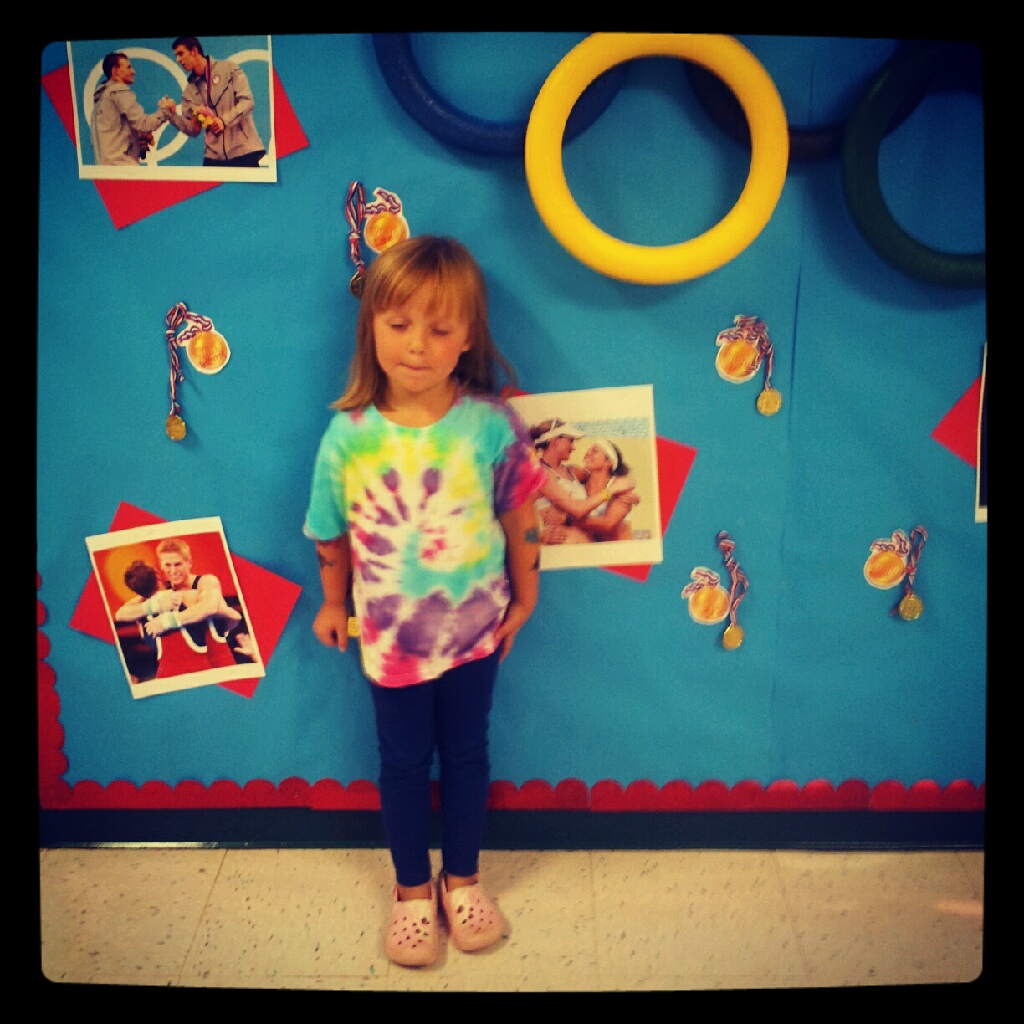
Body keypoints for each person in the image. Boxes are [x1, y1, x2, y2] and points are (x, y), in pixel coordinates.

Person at [304, 235, 545, 967]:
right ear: (372, 327)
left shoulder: (491, 424)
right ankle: (412, 890)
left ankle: (462, 880)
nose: (417, 345)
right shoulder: (347, 437)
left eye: (439, 329)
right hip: (391, 644)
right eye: (400, 324)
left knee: (468, 752)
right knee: (404, 762)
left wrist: (527, 596)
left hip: (477, 635)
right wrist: (331, 604)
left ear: (467, 336)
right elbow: (330, 532)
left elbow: (521, 518)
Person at [140, 538, 242, 676]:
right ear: (161, 566)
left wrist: (167, 621)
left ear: (189, 563)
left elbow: (209, 608)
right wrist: (152, 606)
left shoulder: (206, 582)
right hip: (188, 668)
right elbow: (123, 613)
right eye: (168, 565)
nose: (173, 571)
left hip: (221, 665)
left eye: (178, 564)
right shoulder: (161, 592)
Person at [159, 37, 266, 167]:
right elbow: (193, 130)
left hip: (243, 151)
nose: (178, 60)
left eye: (181, 53)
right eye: (176, 56)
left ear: (194, 51)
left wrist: (223, 121)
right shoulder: (189, 92)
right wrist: (172, 115)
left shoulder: (229, 69)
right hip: (214, 156)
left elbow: (247, 102)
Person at [528, 419, 637, 544]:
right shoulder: (542, 473)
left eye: (594, 451)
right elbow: (578, 510)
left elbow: (606, 477)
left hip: (597, 545)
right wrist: (611, 491)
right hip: (567, 546)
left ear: (609, 462)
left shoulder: (573, 472)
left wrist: (628, 488)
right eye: (571, 441)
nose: (574, 447)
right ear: (556, 441)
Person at [89, 52, 171, 166]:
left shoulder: (102, 96)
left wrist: (138, 137)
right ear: (115, 71)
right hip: (121, 166)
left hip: (104, 167)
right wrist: (166, 110)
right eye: (128, 67)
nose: (133, 71)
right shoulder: (118, 90)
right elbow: (144, 124)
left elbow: (114, 129)